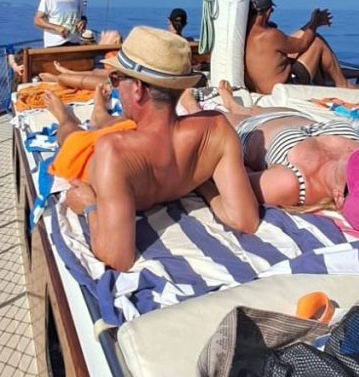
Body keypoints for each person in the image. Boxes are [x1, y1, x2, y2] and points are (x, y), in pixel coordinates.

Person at [43, 27, 261, 271]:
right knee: (101, 124)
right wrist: (199, 181)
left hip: (96, 158)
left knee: (70, 135)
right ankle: (86, 110)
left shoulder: (113, 152)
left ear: (137, 88)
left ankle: (64, 115)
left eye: (116, 80)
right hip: (151, 133)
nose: (116, 87)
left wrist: (90, 206)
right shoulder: (217, 130)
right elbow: (245, 220)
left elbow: (117, 258)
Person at [183, 81, 359, 225]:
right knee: (249, 110)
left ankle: (195, 107)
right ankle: (236, 106)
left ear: (339, 196)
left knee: (214, 120)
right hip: (292, 116)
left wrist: (198, 181)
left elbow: (228, 182)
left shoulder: (292, 183)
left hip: (246, 130)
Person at [244, 0, 359, 94]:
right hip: (284, 86)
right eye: (271, 11)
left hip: (261, 87)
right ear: (268, 12)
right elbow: (302, 45)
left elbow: (293, 41)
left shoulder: (246, 32)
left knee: (305, 39)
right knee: (317, 41)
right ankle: (342, 84)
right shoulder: (271, 35)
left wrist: (311, 23)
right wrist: (315, 24)